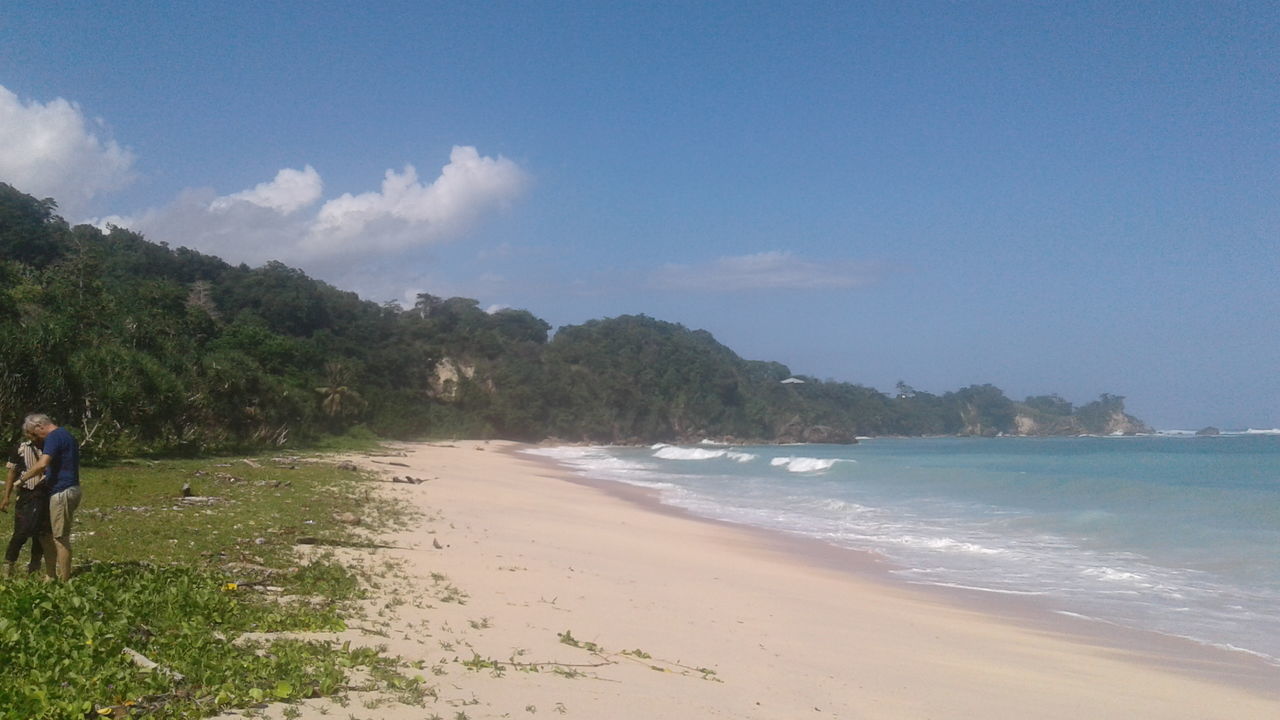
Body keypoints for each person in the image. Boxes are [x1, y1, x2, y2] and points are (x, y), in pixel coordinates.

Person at [19, 414, 81, 581]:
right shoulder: (66, 435)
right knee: (45, 534)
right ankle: (50, 574)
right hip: (64, 489)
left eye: (34, 434)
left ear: (40, 426)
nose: (36, 438)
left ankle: (64, 580)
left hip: (63, 491)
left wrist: (23, 479)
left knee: (60, 537)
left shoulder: (54, 437)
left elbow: (43, 463)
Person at [1, 431, 48, 577]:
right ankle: (8, 566)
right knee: (21, 531)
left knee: (41, 532)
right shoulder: (20, 448)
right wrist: (6, 497)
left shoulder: (50, 447)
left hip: (45, 493)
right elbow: (11, 473)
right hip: (26, 493)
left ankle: (34, 567)